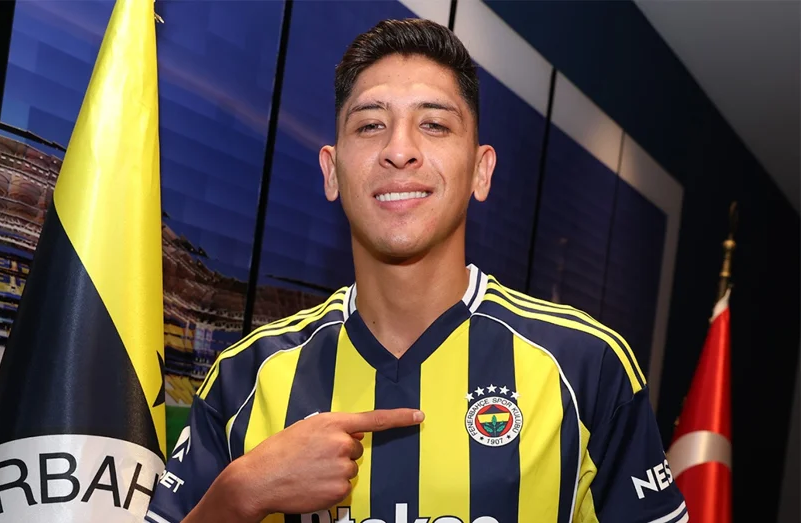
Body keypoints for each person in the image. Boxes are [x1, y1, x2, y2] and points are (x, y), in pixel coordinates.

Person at [146, 18, 688, 523]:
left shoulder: (586, 367)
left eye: (433, 124)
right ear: (331, 172)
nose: (399, 150)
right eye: (370, 125)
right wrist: (239, 495)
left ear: (480, 171)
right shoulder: (247, 376)